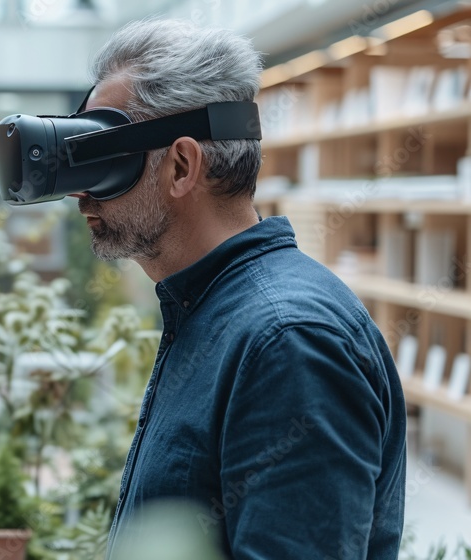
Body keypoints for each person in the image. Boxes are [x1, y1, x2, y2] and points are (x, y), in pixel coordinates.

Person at [72, 20, 406, 559]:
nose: (81, 192)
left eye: (106, 160)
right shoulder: (211, 310)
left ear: (181, 165)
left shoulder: (289, 342)